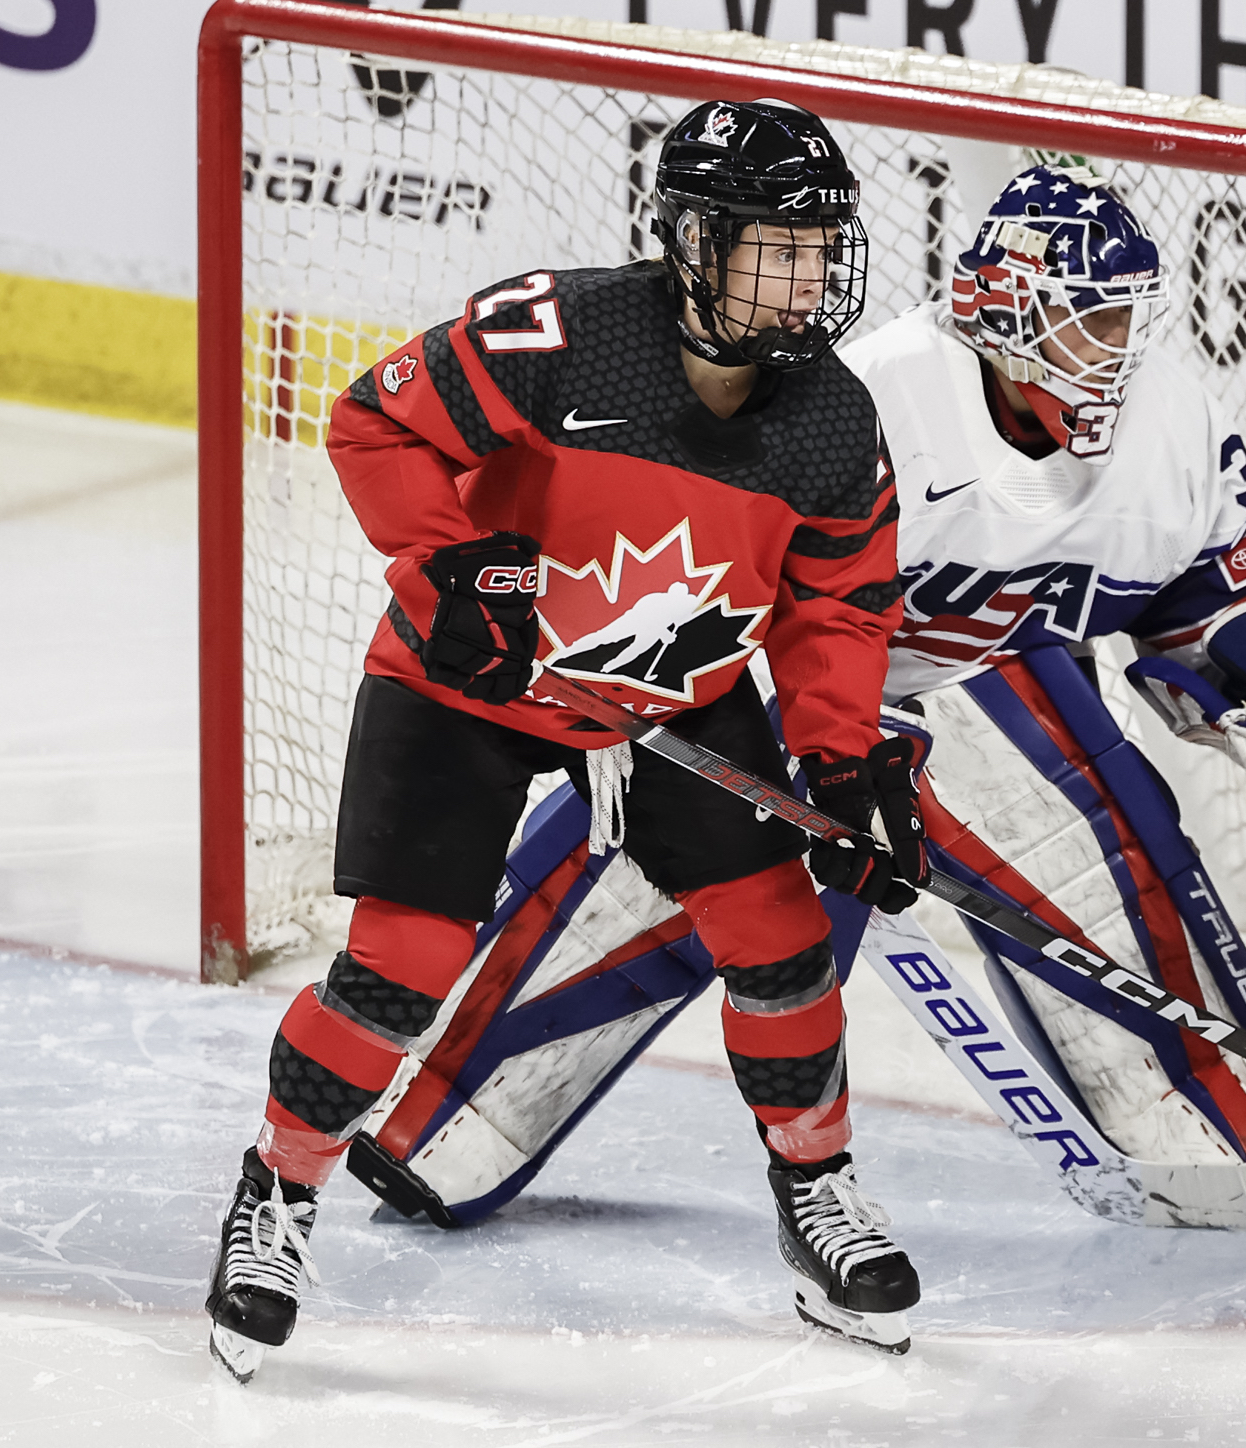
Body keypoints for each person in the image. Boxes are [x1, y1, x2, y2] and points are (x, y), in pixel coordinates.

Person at [344, 165, 1246, 1265]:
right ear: (1007, 319)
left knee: (1104, 843)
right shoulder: (881, 401)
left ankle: (1219, 1118)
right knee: (671, 884)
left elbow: (1218, 594)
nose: (1117, 354)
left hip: (983, 677)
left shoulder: (1173, 426)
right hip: (764, 677)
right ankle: (446, 1107)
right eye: (1088, 322)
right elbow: (742, 578)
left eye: (1125, 320)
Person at [203, 99, 926, 1383]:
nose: (811, 277)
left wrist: (841, 760)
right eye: (780, 247)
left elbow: (839, 605)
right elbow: (374, 422)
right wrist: (453, 569)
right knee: (401, 969)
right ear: (695, 241)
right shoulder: (562, 332)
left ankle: (816, 1188)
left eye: (823, 248)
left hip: (671, 696)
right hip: (467, 684)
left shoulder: (830, 417)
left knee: (782, 938)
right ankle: (281, 1186)